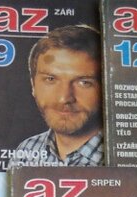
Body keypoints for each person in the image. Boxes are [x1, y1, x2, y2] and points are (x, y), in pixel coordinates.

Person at [10, 25, 103, 166]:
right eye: (50, 79)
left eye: (84, 82)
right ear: (33, 85)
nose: (64, 98)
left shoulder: (123, 155)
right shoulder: (26, 150)